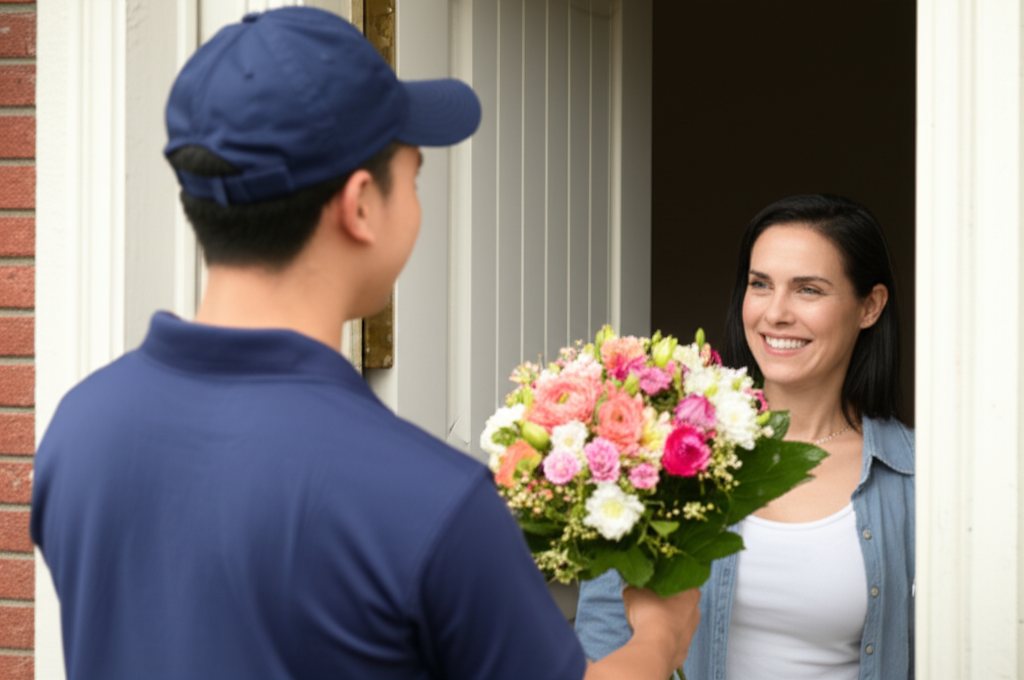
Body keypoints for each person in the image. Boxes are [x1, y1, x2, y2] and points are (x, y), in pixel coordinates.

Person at [29, 7, 702, 680]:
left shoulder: (81, 427)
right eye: (413, 175)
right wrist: (661, 637)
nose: (416, 200)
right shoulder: (431, 499)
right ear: (359, 206)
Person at [574, 194, 914, 680]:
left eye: (808, 290)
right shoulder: (658, 457)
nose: (775, 313)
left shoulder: (914, 479)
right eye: (760, 284)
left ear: (870, 306)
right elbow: (602, 640)